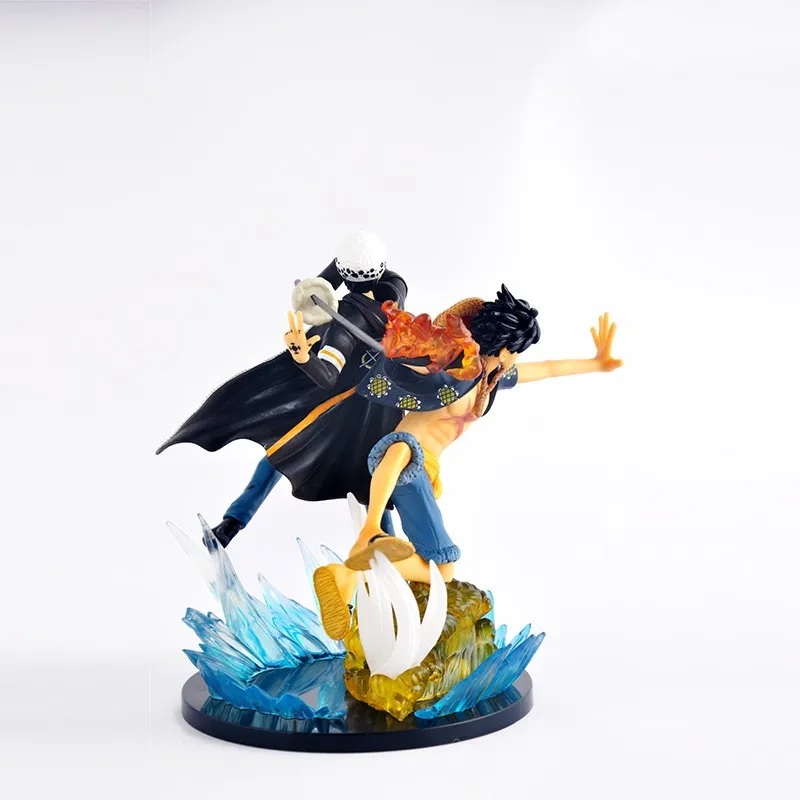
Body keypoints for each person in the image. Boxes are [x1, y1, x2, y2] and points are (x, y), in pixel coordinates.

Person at [312, 286, 623, 638]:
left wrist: (596, 363)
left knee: (442, 570)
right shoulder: (450, 370)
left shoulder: (489, 383)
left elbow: (547, 369)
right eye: (516, 351)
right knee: (403, 449)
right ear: (504, 349)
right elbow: (403, 384)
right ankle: (368, 538)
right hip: (401, 457)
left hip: (424, 472)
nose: (516, 359)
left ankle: (349, 576)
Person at [156, 232, 408, 546]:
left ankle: (233, 524)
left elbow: (328, 374)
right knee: (360, 471)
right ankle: (233, 522)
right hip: (369, 402)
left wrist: (303, 357)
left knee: (347, 467)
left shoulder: (346, 321)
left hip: (354, 405)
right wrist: (313, 294)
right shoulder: (395, 285)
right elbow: (323, 283)